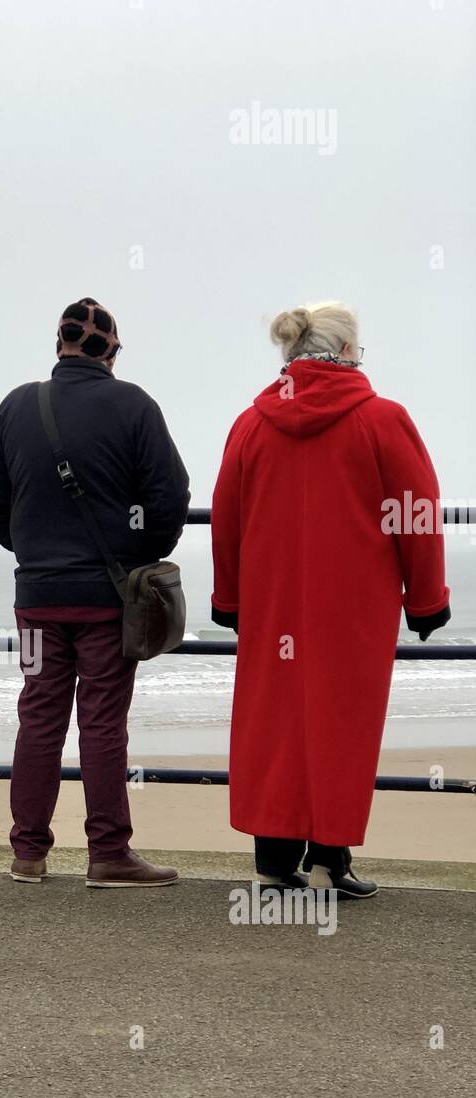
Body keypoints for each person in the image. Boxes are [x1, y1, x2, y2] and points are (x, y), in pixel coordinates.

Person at [211, 302, 451, 898]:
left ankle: (272, 865)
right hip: (354, 611)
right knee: (340, 728)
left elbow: (226, 520)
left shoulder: (250, 424)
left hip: (272, 608)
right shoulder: (382, 419)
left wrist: (229, 600)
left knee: (275, 727)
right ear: (347, 350)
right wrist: (426, 600)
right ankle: (327, 865)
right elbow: (416, 513)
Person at [0, 297, 190, 886]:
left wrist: (31, 549)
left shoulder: (18, 404)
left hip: (37, 598)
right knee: (102, 722)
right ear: (111, 351)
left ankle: (28, 853)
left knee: (39, 716)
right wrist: (135, 559)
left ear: (59, 345)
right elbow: (170, 498)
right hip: (106, 599)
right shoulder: (134, 405)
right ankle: (108, 854)